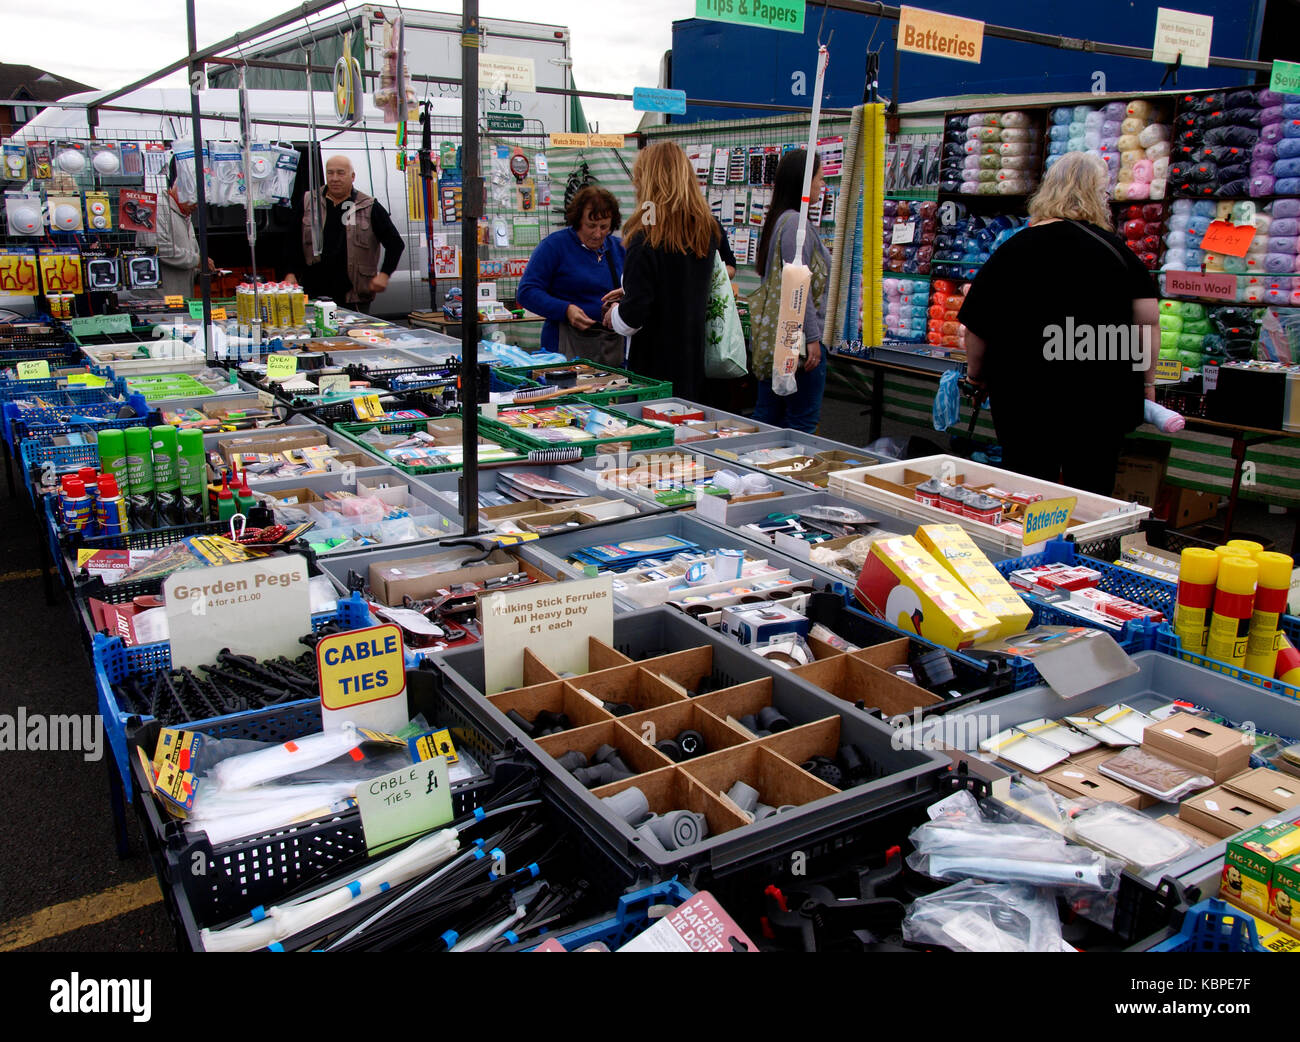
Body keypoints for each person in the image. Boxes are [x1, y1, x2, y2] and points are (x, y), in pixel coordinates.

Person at [958, 151, 1159, 494]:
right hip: (1100, 397)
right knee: (1093, 491)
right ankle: (1088, 546)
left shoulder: (1014, 250)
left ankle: (1033, 547)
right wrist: (1146, 382)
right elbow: (1147, 323)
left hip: (1027, 398)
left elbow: (978, 327)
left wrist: (975, 376)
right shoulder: (1116, 250)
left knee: (1030, 490)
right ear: (1099, 195)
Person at [603, 142, 722, 403]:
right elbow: (678, 284)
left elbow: (633, 318)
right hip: (690, 364)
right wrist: (631, 287)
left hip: (651, 370)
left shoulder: (646, 237)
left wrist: (614, 313)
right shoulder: (704, 230)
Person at [748, 150, 830, 433]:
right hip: (798, 342)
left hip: (781, 339)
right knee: (800, 423)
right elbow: (798, 287)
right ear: (804, 182)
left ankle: (752, 473)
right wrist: (814, 338)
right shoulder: (796, 223)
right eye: (820, 178)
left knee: (769, 418)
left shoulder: (780, 220)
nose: (823, 185)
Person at [516, 185, 626, 364]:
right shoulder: (554, 247)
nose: (598, 234)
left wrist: (622, 300)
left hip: (610, 348)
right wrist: (565, 310)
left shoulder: (621, 250)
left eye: (604, 227)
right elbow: (527, 292)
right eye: (591, 226)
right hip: (562, 349)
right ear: (577, 221)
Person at [286, 155, 404, 314]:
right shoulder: (309, 201)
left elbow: (396, 244)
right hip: (314, 294)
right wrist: (290, 272)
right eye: (330, 173)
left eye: (341, 173)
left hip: (352, 298)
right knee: (318, 337)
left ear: (352, 176)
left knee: (349, 337)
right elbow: (291, 240)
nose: (334, 178)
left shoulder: (368, 206)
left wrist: (384, 274)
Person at [138, 162, 213, 298]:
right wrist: (196, 261)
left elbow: (188, 252)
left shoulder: (184, 213)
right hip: (159, 298)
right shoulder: (156, 207)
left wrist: (199, 269)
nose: (197, 205)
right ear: (182, 192)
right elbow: (157, 247)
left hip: (178, 296)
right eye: (195, 199)